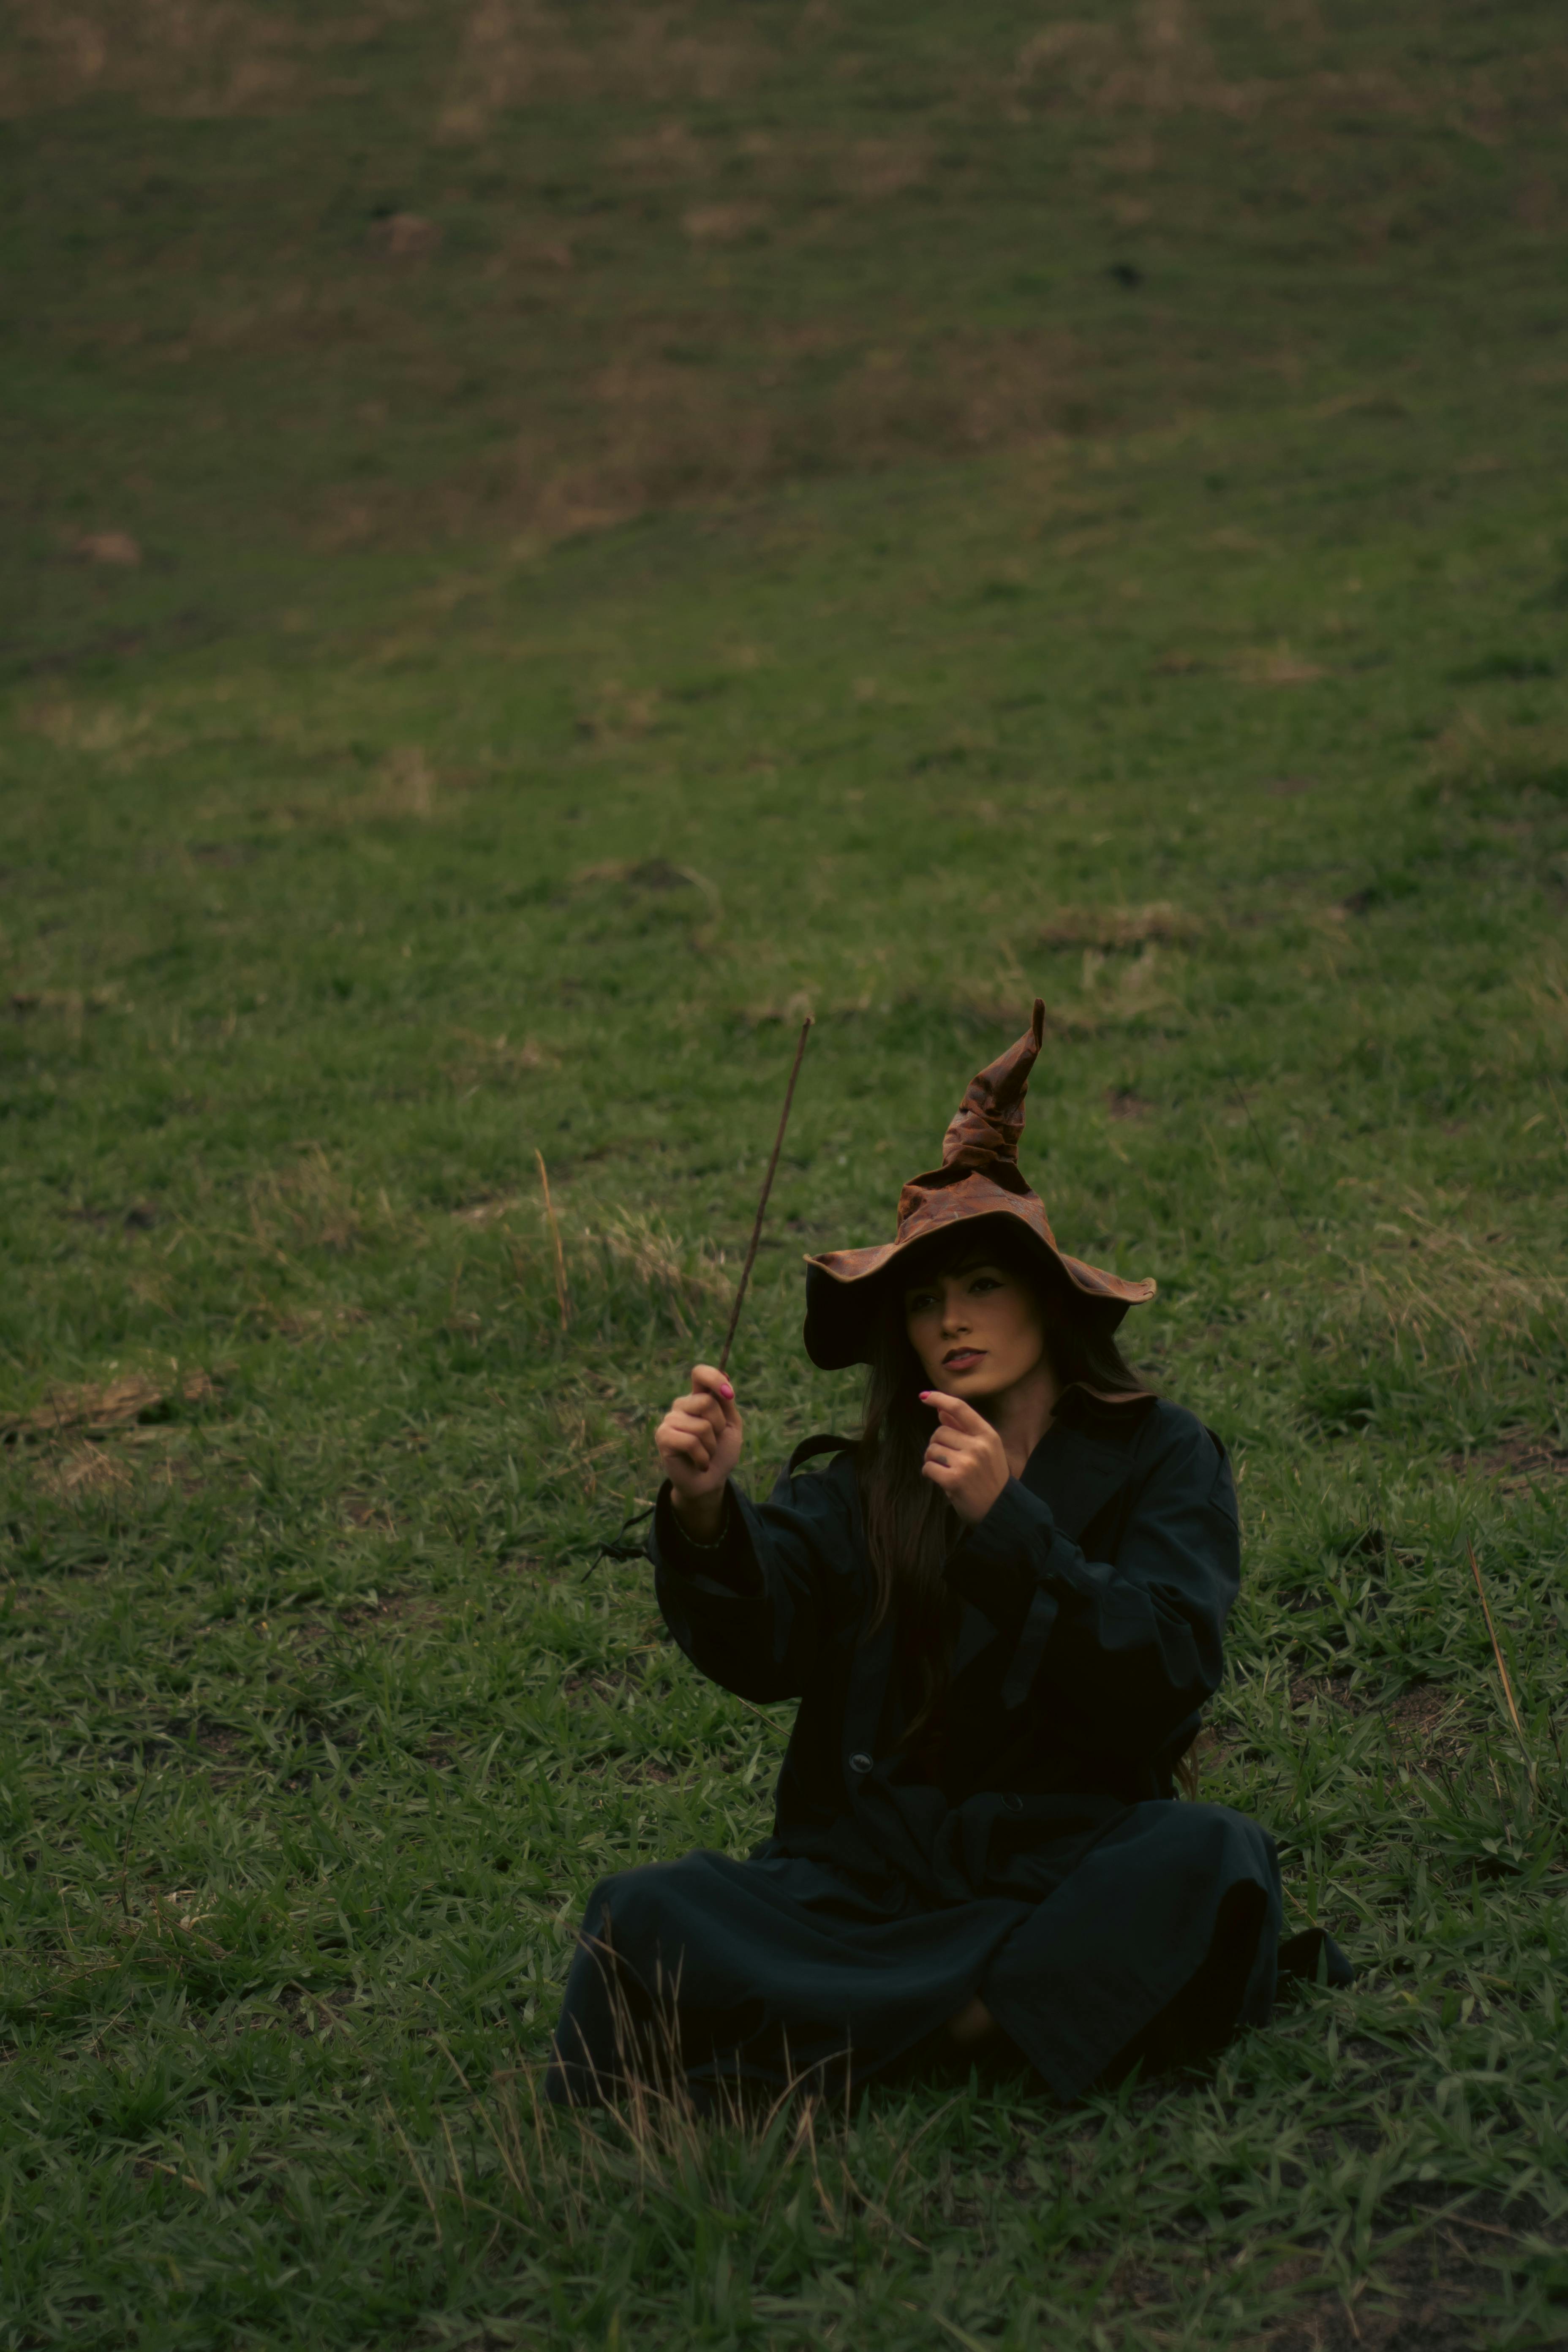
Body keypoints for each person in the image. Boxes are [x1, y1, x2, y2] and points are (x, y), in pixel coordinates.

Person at [545, 1002, 1348, 2108]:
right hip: (864, 1880)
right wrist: (703, 1510)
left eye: (982, 1286)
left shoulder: (1163, 1453)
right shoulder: (870, 1479)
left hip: (1057, 1866)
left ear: (1048, 1299)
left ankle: (902, 2029)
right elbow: (763, 1643)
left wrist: (1013, 1528)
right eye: (924, 1301)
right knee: (639, 1914)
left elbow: (1169, 1668)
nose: (951, 1320)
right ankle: (975, 2023)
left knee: (1213, 1859)